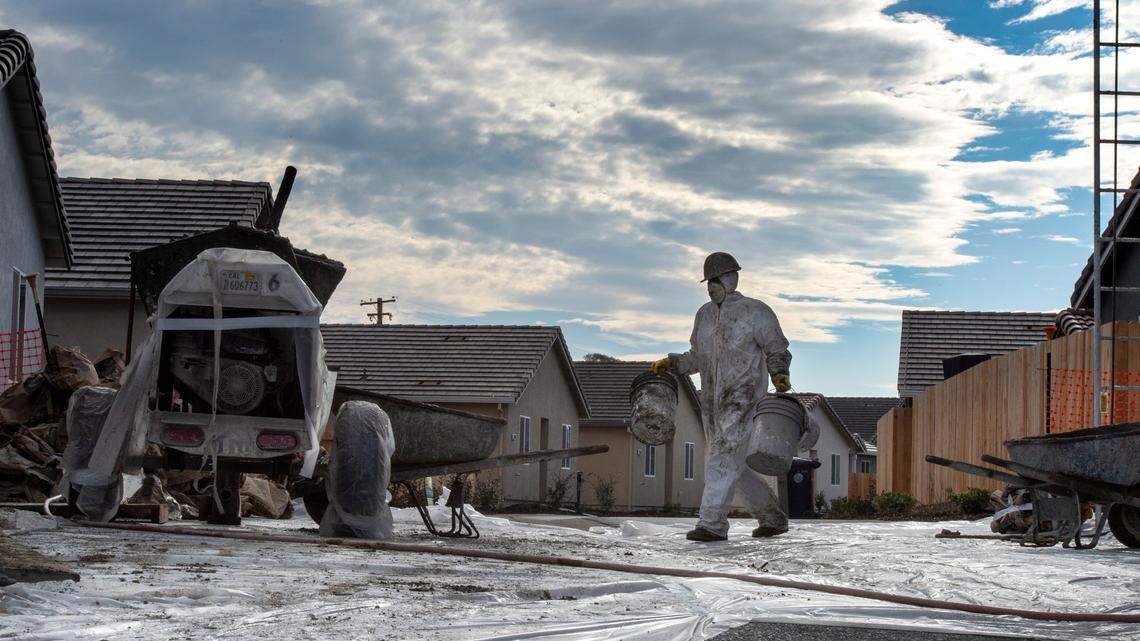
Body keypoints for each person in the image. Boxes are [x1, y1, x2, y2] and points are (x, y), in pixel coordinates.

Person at [652, 252, 793, 541]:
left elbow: (776, 348)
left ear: (731, 278)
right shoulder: (703, 315)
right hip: (712, 403)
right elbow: (698, 358)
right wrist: (674, 363)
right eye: (708, 281)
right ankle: (772, 517)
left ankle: (712, 524)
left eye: (716, 279)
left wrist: (779, 373)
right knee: (733, 464)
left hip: (744, 399)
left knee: (721, 459)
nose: (711, 286)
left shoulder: (755, 312)